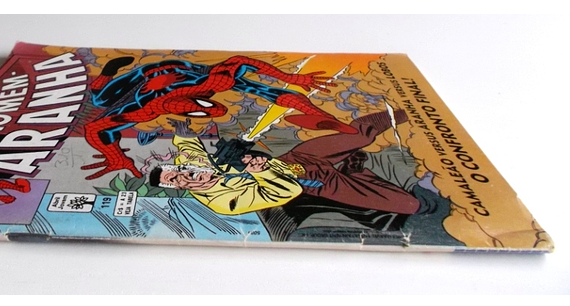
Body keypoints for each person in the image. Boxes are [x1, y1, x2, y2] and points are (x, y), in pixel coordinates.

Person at [82, 54, 357, 180]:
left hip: (175, 74)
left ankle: (323, 115)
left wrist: (291, 78)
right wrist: (117, 158)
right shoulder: (141, 110)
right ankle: (109, 70)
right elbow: (94, 128)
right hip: (143, 81)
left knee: (255, 87)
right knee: (99, 99)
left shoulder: (215, 82)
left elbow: (242, 61)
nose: (217, 111)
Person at [149, 110, 421, 217]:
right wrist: (261, 171)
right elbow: (287, 192)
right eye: (176, 181)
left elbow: (188, 149)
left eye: (178, 171)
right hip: (316, 183)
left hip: (298, 159)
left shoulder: (192, 164)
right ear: (178, 189)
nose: (185, 175)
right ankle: (356, 171)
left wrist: (183, 134)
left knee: (359, 135)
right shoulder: (222, 202)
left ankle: (405, 111)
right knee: (409, 205)